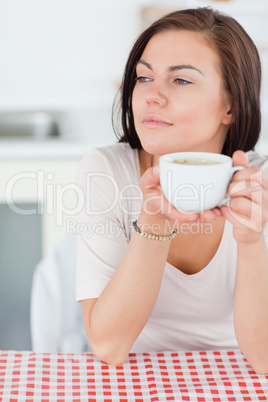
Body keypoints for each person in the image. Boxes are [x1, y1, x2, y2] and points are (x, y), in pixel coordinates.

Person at [75, 7, 268, 373]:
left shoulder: (260, 186)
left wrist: (251, 242)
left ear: (230, 104)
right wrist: (154, 218)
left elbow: (265, 359)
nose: (151, 95)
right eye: (144, 78)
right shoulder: (105, 171)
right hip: (138, 375)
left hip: (240, 376)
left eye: (180, 81)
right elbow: (109, 346)